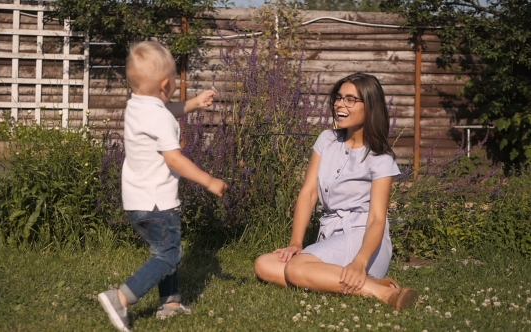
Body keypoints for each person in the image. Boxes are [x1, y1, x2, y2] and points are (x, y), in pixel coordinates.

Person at [254, 72, 417, 310]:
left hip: (364, 239)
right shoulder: (327, 140)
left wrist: (360, 263)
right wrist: (296, 242)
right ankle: (373, 285)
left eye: (350, 99)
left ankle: (387, 296)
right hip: (331, 237)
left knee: (297, 269)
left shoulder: (380, 158)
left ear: (369, 107)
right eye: (339, 98)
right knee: (264, 264)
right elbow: (309, 193)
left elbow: (376, 219)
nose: (340, 104)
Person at [97, 40, 228, 332]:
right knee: (169, 254)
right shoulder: (159, 117)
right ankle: (120, 297)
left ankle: (170, 303)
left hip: (136, 201)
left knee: (166, 248)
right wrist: (209, 180)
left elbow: (167, 108)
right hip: (158, 202)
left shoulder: (137, 105)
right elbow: (175, 159)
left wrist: (194, 103)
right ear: (166, 83)